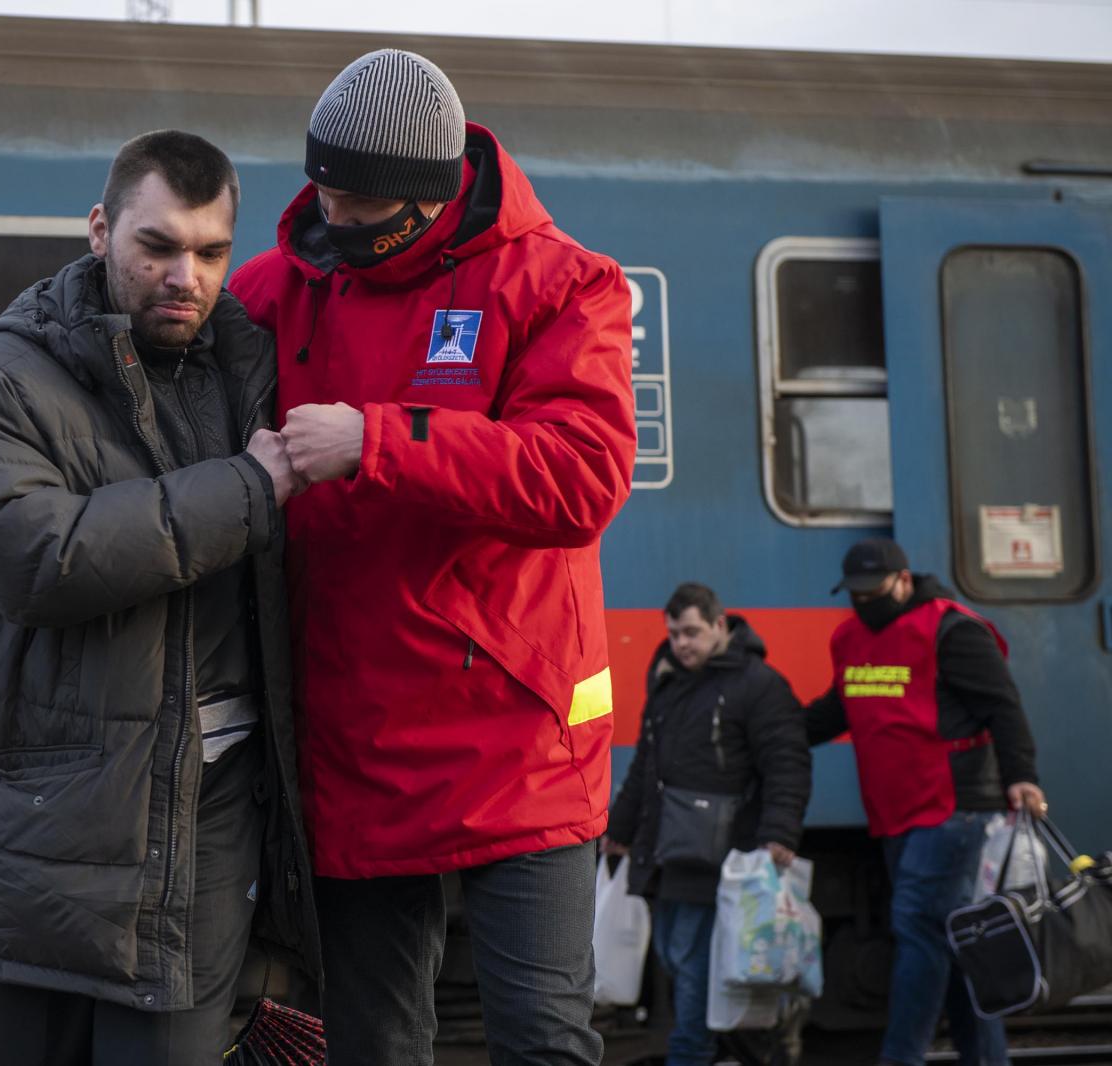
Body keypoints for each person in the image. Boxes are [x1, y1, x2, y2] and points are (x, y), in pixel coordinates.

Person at [229, 49, 636, 1066]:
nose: (336, 221)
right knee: (371, 1043)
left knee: (541, 1038)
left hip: (520, 737)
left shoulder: (561, 286)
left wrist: (378, 443)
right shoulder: (274, 289)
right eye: (324, 191)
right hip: (356, 738)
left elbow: (583, 477)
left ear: (431, 198)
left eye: (361, 206)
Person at [0, 129, 319, 1066]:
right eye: (159, 246)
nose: (187, 274)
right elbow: (38, 560)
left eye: (213, 252)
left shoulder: (247, 371)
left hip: (204, 813)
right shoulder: (4, 382)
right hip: (43, 824)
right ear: (100, 231)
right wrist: (248, 490)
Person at [808, 537, 1047, 1066]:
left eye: (874, 590)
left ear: (904, 580)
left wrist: (1021, 776)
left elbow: (1003, 706)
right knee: (958, 942)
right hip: (896, 812)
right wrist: (775, 733)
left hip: (956, 808)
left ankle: (901, 1058)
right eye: (855, 593)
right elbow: (839, 708)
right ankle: (987, 1059)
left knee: (917, 927)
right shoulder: (850, 640)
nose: (864, 601)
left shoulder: (951, 630)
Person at [604, 583, 812, 1066]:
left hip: (724, 859)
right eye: (675, 634)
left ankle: (692, 1055)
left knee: (694, 969)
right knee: (676, 960)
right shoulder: (669, 683)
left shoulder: (758, 685)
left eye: (692, 632)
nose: (682, 644)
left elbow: (787, 764)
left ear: (721, 625)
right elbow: (646, 765)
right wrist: (621, 828)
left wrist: (779, 833)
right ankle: (747, 1053)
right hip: (671, 852)